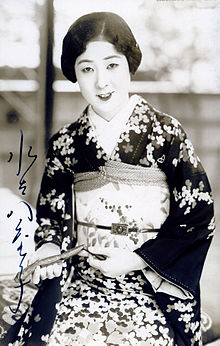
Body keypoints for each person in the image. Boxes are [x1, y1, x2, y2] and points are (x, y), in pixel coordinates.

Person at [2, 11, 215, 346]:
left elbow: (197, 216)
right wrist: (48, 246)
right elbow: (52, 215)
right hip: (82, 280)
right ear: (74, 73)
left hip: (152, 284)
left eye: (112, 65)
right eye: (87, 68)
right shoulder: (66, 142)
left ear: (130, 63)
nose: (102, 82)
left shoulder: (166, 134)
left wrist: (135, 259)